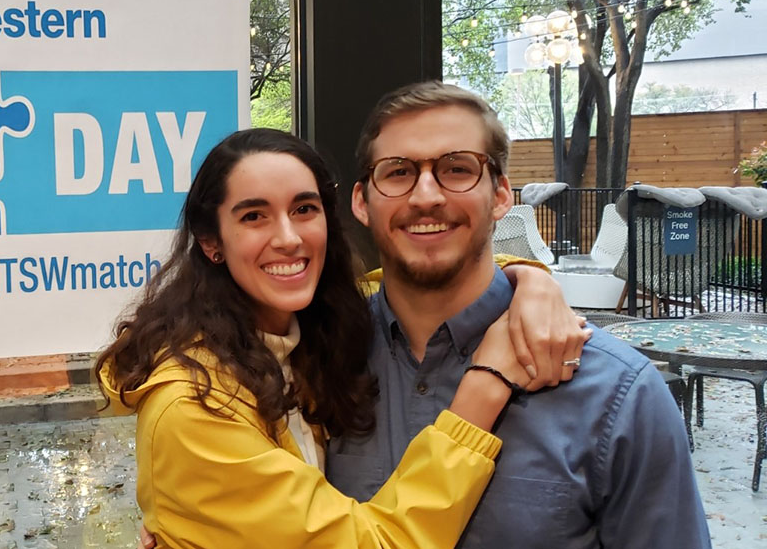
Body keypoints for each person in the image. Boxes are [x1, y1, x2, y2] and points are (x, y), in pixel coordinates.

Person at [96, 128, 588, 549]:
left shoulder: (308, 328)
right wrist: (483, 388)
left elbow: (429, 280)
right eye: (254, 216)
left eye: (304, 208)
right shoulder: (192, 407)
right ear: (211, 242)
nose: (288, 237)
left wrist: (530, 282)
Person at [327, 81, 709, 548]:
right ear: (362, 202)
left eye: (457, 168)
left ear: (502, 195)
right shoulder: (313, 366)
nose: (426, 196)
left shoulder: (617, 394)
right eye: (398, 172)